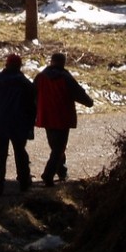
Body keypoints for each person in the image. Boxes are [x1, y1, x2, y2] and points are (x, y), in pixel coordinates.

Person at [34, 52, 93, 187]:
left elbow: (32, 94)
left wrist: (35, 109)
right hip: (62, 117)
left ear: (51, 61)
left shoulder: (41, 77)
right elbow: (79, 93)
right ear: (63, 62)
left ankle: (62, 171)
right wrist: (89, 102)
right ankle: (48, 174)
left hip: (46, 116)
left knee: (55, 146)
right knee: (59, 148)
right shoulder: (65, 77)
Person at [0, 54, 36, 195]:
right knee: (20, 152)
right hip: (18, 122)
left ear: (7, 64)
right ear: (19, 65)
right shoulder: (24, 83)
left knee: (0, 155)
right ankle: (24, 182)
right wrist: (29, 122)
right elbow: (32, 105)